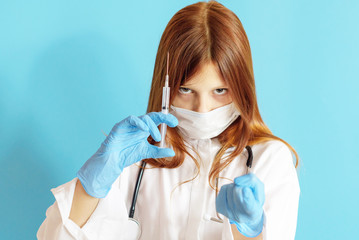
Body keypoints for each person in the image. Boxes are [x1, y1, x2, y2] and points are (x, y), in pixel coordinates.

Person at [37, 1, 300, 239]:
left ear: (242, 87)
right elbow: (53, 237)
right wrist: (91, 185)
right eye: (186, 90)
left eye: (220, 91)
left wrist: (249, 231)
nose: (203, 108)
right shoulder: (134, 158)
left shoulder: (270, 160)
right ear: (166, 88)